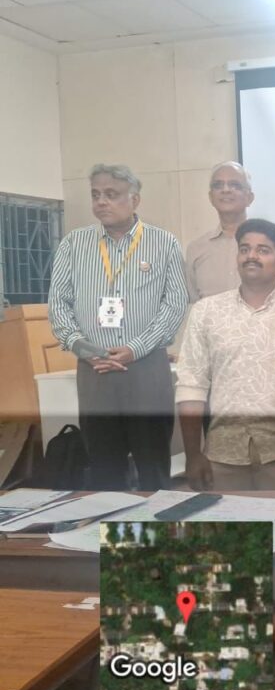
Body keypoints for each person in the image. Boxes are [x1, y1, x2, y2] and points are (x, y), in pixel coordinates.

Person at [48, 164, 188, 489]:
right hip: (94, 371)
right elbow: (58, 304)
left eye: (111, 194)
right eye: (96, 194)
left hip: (146, 370)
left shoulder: (163, 243)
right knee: (104, 472)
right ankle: (109, 521)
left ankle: (153, 523)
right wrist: (84, 348)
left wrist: (135, 348)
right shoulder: (73, 244)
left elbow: (175, 305)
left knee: (153, 471)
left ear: (134, 199)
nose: (101, 202)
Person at [176, 219, 275, 490]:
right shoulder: (207, 312)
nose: (251, 256)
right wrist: (193, 455)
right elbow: (191, 386)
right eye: (244, 249)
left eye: (263, 250)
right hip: (222, 455)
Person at [184, 161, 255, 302]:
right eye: (218, 185)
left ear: (249, 198)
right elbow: (194, 303)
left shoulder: (269, 245)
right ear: (211, 197)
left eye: (235, 185)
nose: (226, 190)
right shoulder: (196, 249)